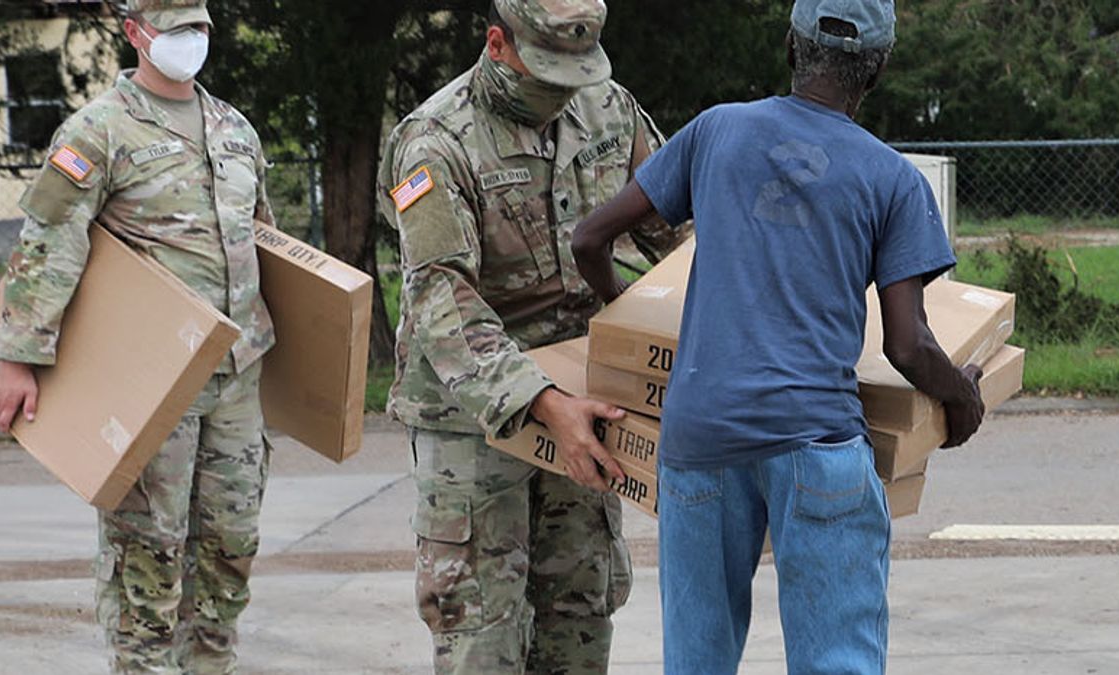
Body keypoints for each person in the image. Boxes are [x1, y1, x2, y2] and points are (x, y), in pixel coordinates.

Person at [572, 1, 985, 672]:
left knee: (696, 659)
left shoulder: (716, 131)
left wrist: (623, 308)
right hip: (814, 440)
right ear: (876, 70)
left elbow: (589, 237)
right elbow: (908, 344)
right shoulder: (892, 179)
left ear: (792, 49)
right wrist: (961, 399)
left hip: (699, 439)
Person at [376, 0, 686, 671]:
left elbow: (679, 230)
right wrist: (546, 403)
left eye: (576, 76)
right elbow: (442, 299)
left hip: (586, 392)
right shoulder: (437, 139)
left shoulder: (609, 109)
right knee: (481, 630)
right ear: (497, 44)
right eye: (547, 76)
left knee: (579, 612)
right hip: (473, 416)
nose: (563, 95)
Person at [0, 0, 278, 671]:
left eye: (199, 26)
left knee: (231, 546)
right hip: (152, 379)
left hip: (235, 376)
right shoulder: (96, 131)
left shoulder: (235, 129)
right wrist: (19, 355)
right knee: (150, 552)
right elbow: (51, 239)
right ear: (135, 33)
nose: (191, 40)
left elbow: (264, 241)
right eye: (175, 28)